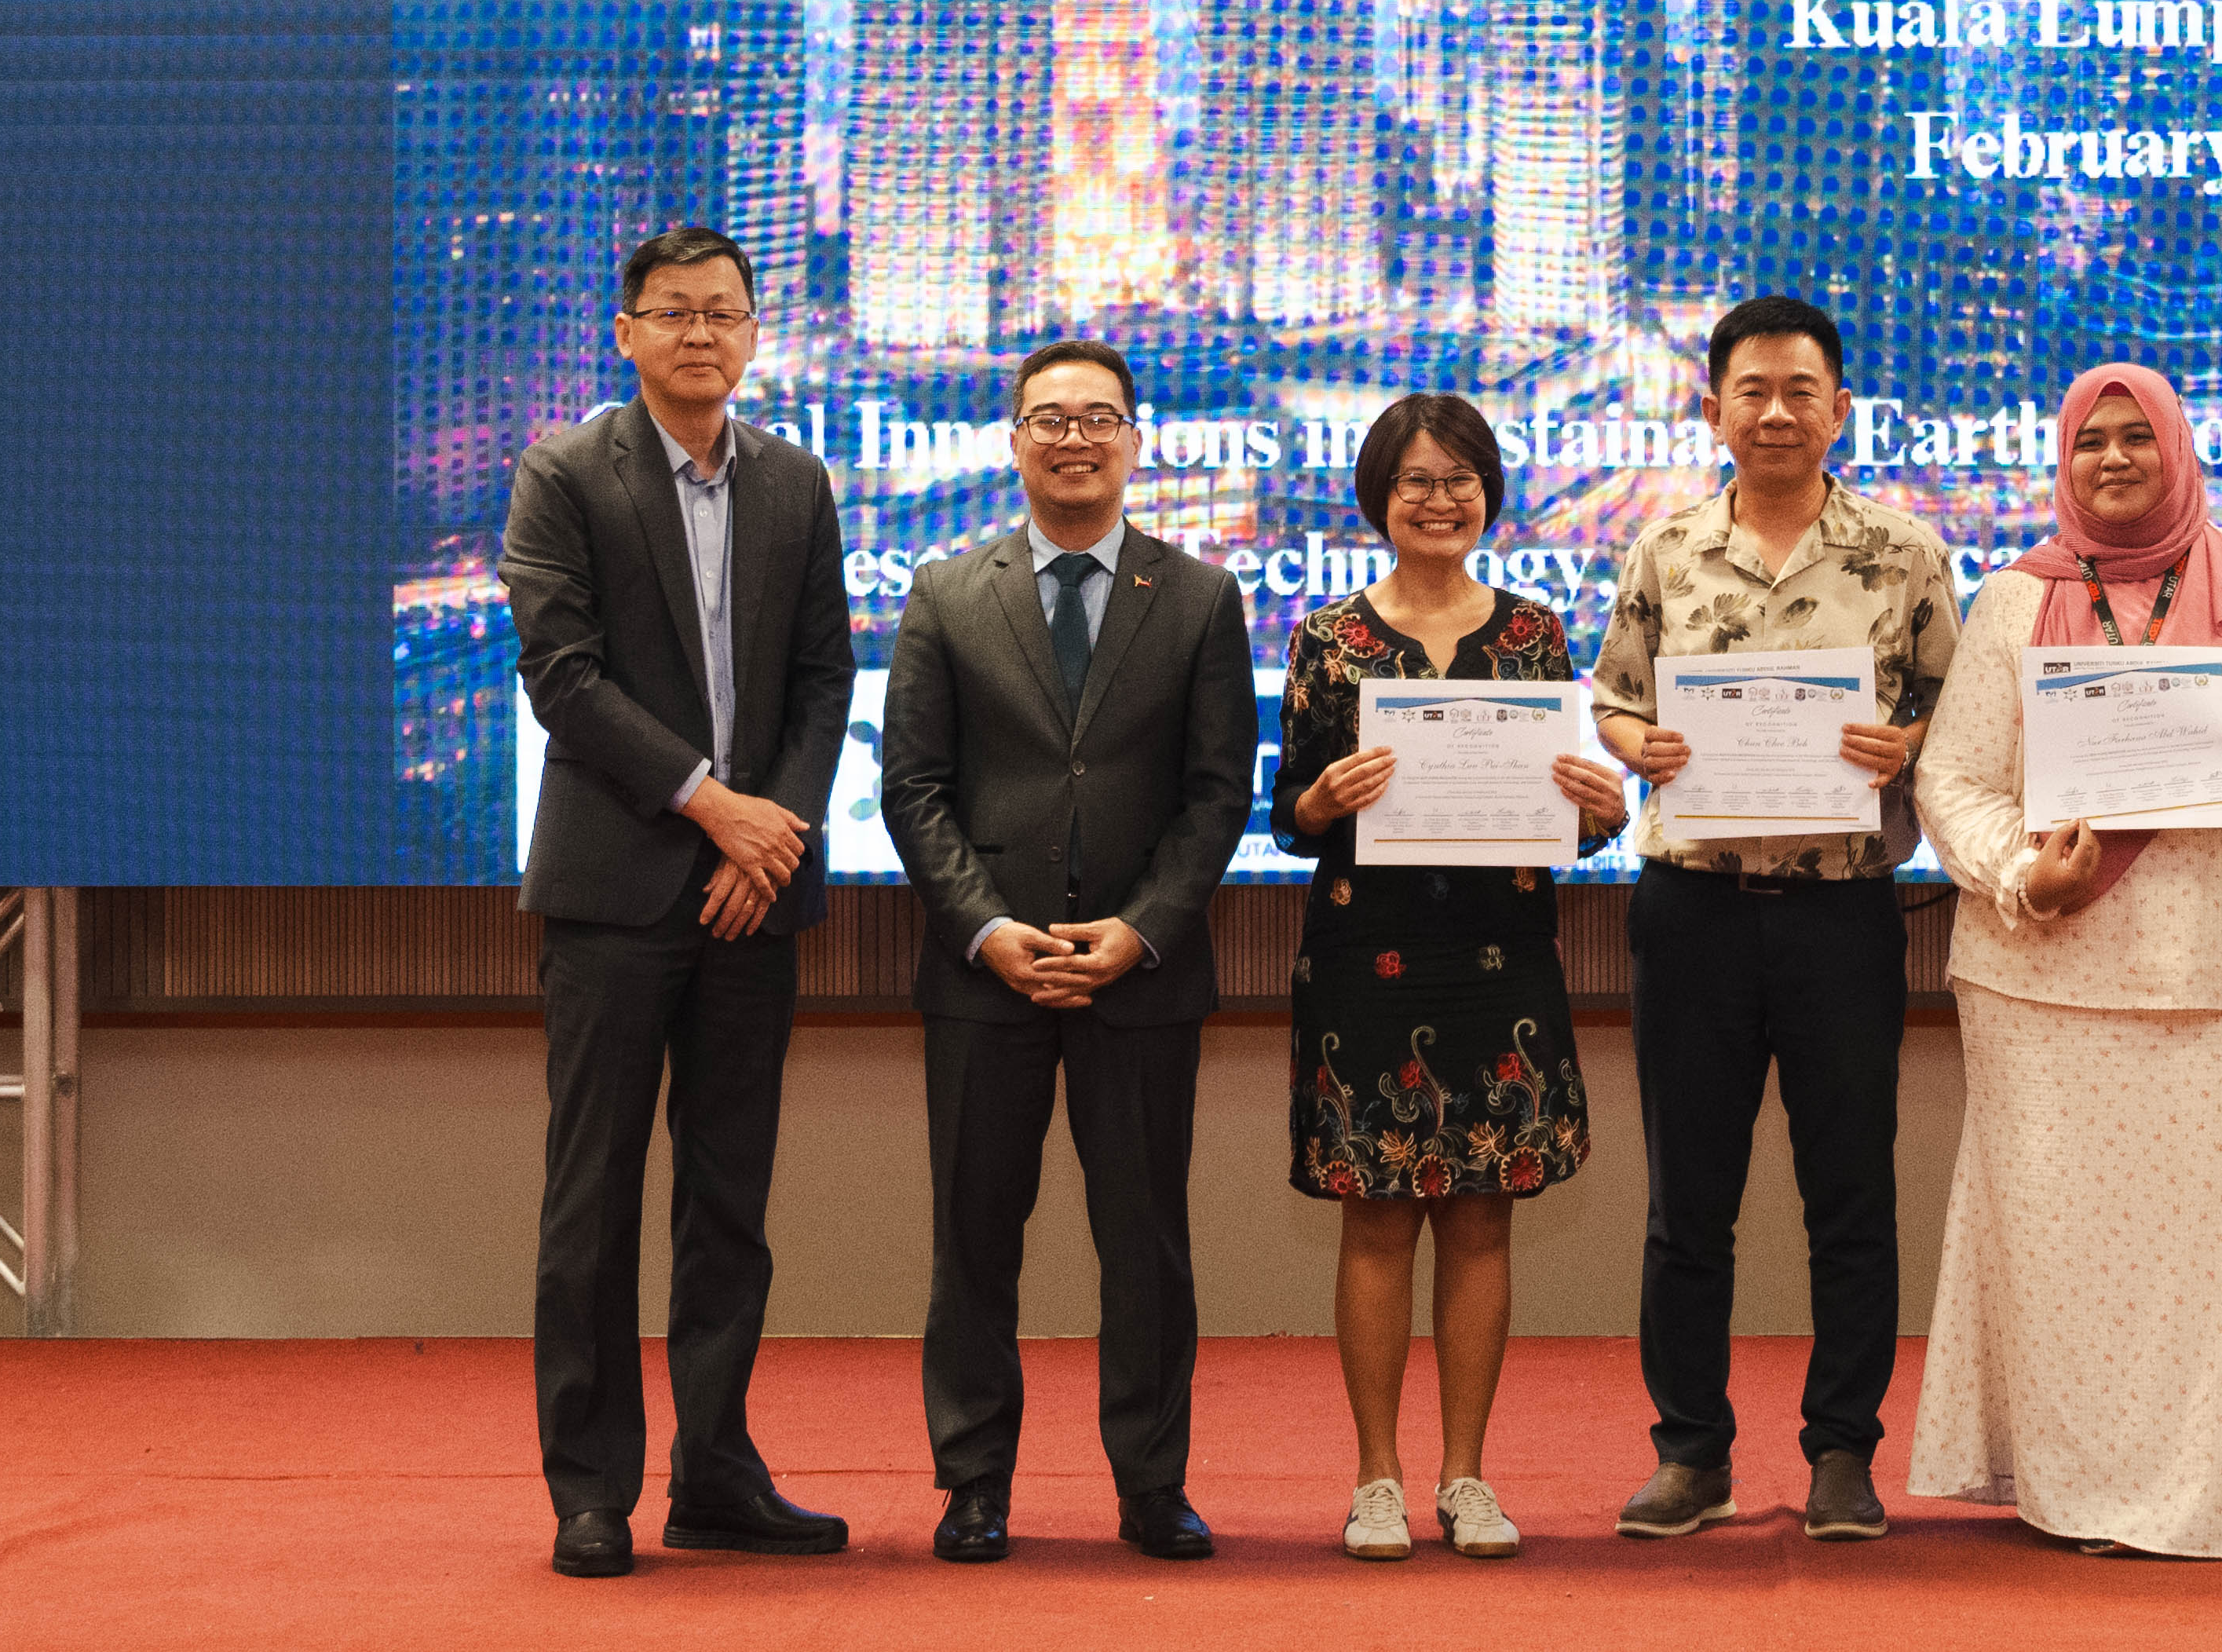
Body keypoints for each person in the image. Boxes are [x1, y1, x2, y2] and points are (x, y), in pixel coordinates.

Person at [1908, 363, 2222, 1559]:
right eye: (2088, 441)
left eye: (2135, 438)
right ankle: (2079, 1490)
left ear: (2176, 446)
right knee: (2060, 1242)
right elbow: (1949, 777)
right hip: (2042, 973)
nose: (2111, 459)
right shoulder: (2013, 599)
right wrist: (2019, 869)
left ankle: (2218, 1489)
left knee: (2221, 1242)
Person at [500, 225, 856, 1580]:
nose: (700, 334)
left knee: (729, 1198)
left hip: (752, 898)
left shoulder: (795, 481)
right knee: (589, 1199)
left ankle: (716, 1469)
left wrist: (771, 840)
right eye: (673, 312)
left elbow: (826, 677)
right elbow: (564, 677)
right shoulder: (564, 472)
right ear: (627, 331)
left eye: (725, 312)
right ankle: (590, 1487)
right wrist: (714, 807)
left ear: (756, 332)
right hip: (615, 890)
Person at [879, 337, 1257, 1566]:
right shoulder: (945, 590)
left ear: (1136, 440)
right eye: (1049, 418)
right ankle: (974, 1483)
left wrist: (1139, 930)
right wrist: (988, 930)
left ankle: (1153, 1486)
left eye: (1099, 416)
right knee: (973, 1239)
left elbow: (1216, 796)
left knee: (1145, 1242)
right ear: (1014, 439)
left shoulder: (1199, 596)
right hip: (986, 978)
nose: (1074, 437)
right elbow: (913, 787)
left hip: (1137, 980)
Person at [1592, 295, 1963, 1544]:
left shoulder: (1904, 552)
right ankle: (1690, 1451)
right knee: (1686, 1199)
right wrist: (1641, 740)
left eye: (1801, 389)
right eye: (1750, 390)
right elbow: (1610, 703)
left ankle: (1842, 1452)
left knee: (1848, 1191)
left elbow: (1964, 725)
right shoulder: (1665, 547)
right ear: (1713, 408)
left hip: (1841, 914)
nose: (1775, 411)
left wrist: (1905, 740)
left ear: (1838, 407)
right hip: (1690, 908)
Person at [1272, 393, 1632, 1561]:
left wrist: (1600, 811)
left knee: (1481, 1215)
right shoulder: (1326, 636)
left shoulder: (1533, 635)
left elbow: (1557, 821)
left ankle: (1464, 1475)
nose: (1439, 497)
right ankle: (1375, 1478)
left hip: (1499, 956)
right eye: (1416, 478)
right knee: (1376, 1216)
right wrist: (1321, 801)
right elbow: (1289, 814)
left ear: (1488, 491)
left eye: (1460, 476)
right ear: (1377, 494)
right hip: (1366, 957)